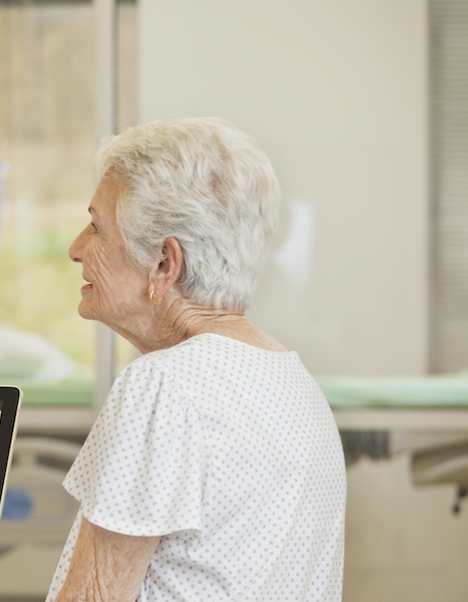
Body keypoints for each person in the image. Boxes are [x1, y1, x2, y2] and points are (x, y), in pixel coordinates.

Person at [48, 118, 346, 602]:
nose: (75, 248)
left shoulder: (164, 385)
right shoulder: (293, 378)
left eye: (97, 228)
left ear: (165, 264)